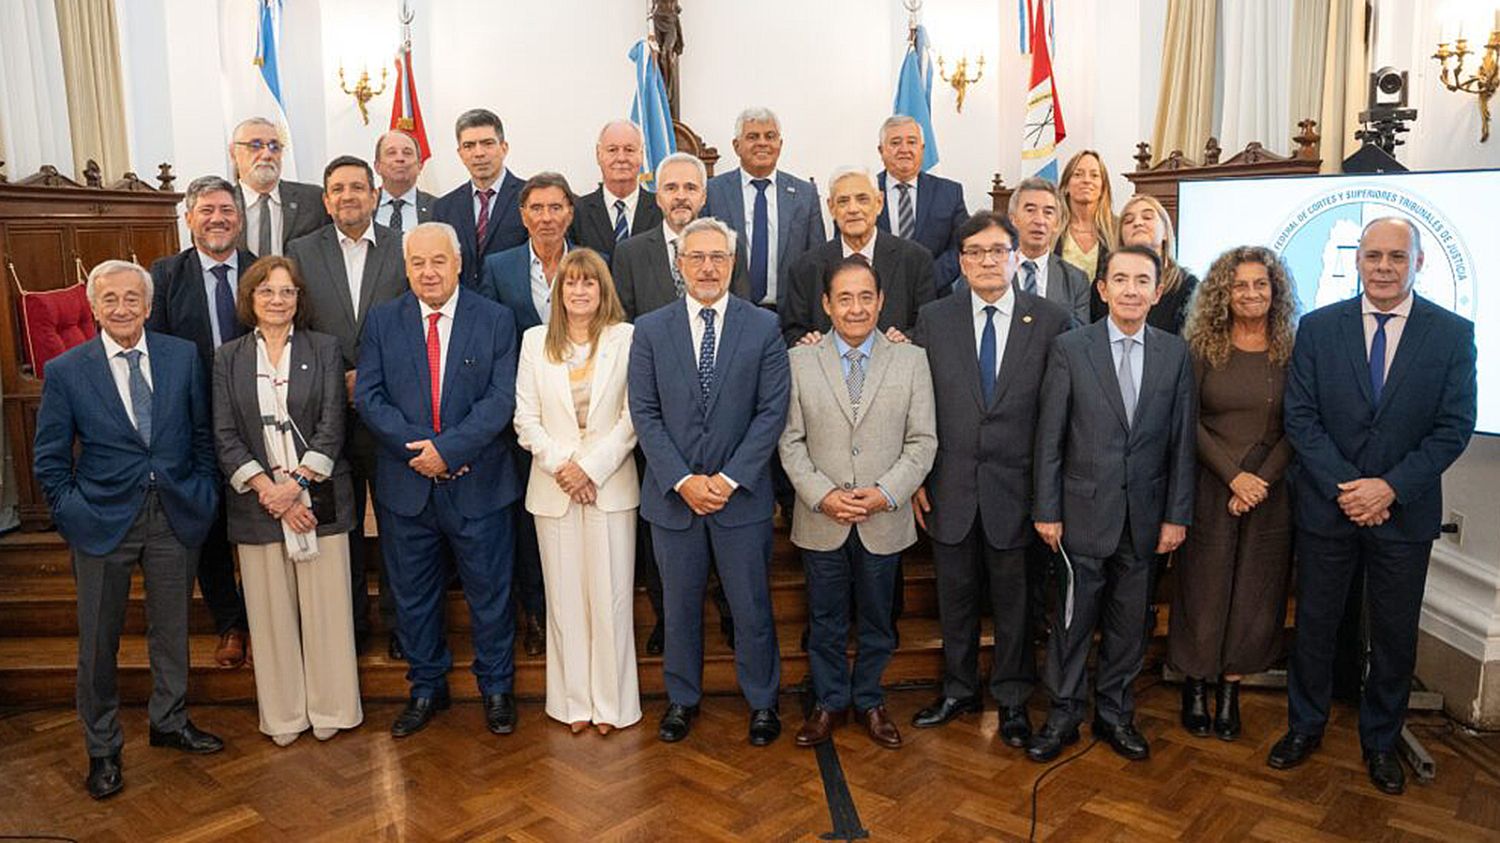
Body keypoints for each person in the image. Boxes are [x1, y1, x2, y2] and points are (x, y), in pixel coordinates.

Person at [1270, 217, 1477, 796]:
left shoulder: (1451, 334)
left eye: (1396, 257)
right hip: (1328, 508)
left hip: (1403, 513)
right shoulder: (1317, 328)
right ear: (1358, 261)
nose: (1384, 267)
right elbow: (1301, 419)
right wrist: (1351, 488)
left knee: (1393, 635)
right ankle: (1304, 726)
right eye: (1373, 256)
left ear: (1418, 263)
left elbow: (1453, 427)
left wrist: (1388, 488)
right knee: (1315, 626)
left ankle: (1381, 741)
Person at [34, 260, 225, 800]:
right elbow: (50, 458)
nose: (122, 308)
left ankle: (170, 721)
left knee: (172, 629)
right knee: (99, 641)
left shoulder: (181, 356)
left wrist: (204, 491)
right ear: (94, 308)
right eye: (110, 299)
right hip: (101, 521)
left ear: (148, 305)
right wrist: (72, 512)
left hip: (175, 513)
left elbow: (202, 435)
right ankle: (102, 747)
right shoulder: (67, 370)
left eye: (132, 298)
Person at [908, 212, 1071, 745]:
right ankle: (958, 690)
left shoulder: (1050, 321)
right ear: (960, 261)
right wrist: (917, 477)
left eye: (997, 251)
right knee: (954, 598)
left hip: (1018, 492)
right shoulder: (934, 318)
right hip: (949, 487)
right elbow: (918, 404)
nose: (986, 261)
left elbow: (1058, 416)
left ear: (1015, 258)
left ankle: (1013, 699)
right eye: (975, 252)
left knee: (1015, 604)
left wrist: (1048, 495)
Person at [354, 222, 523, 738]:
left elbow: (501, 398)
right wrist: (424, 452)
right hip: (407, 489)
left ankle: (496, 688)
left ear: (458, 263)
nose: (428, 272)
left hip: (480, 485)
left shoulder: (495, 319)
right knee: (413, 596)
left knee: (490, 595)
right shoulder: (382, 320)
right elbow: (369, 397)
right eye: (418, 263)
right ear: (406, 268)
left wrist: (449, 451)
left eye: (438, 261)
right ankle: (426, 687)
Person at [1030, 244, 1196, 763]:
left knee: (1128, 626)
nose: (1131, 290)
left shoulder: (1175, 354)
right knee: (1072, 622)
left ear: (1157, 291)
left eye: (1142, 281)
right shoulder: (1071, 348)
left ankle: (1115, 714)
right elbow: (1050, 437)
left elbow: (1182, 443)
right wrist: (1046, 509)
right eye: (1120, 280)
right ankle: (1063, 714)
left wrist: (1176, 515)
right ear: (1102, 289)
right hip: (1080, 514)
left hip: (1145, 519)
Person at [628, 217, 790, 746]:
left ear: (732, 263)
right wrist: (682, 480)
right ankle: (682, 700)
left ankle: (762, 702)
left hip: (739, 500)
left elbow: (771, 412)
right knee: (678, 610)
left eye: (717, 257)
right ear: (679, 265)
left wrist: (727, 478)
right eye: (696, 257)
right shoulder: (650, 329)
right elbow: (644, 412)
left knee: (751, 608)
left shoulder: (763, 327)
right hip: (674, 501)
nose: (707, 267)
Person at [780, 256, 936, 750]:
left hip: (882, 517)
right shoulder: (798, 361)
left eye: (866, 297)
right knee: (824, 621)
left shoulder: (911, 360)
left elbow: (923, 441)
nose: (855, 308)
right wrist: (822, 495)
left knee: (877, 620)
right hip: (821, 517)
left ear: (881, 301)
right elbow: (789, 441)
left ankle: (870, 699)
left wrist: (887, 492)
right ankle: (829, 701)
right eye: (844, 298)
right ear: (826, 304)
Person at [212, 256, 363, 746]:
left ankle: (332, 708)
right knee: (271, 617)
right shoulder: (228, 357)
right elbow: (224, 434)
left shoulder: (324, 348)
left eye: (287, 291)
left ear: (299, 298)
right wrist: (269, 491)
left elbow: (333, 425)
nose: (277, 300)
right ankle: (283, 715)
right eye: (267, 291)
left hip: (318, 499)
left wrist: (295, 486)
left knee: (326, 613)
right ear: (250, 299)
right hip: (258, 504)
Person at [1170, 246, 1299, 742]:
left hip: (1270, 490)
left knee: (1255, 594)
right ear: (1223, 292)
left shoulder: (1291, 349)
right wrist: (1233, 478)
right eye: (1240, 285)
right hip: (1211, 485)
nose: (1251, 293)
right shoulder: (1202, 347)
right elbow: (1189, 421)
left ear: (1275, 290)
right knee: (1202, 590)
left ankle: (1230, 689)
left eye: (1260, 284)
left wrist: (1259, 480)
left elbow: (1299, 423)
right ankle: (1195, 685)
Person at [514, 248, 642, 734]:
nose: (580, 290)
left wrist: (590, 469)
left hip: (609, 485)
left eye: (589, 282)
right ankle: (573, 704)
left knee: (611, 600)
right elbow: (525, 419)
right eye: (571, 282)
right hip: (554, 488)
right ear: (558, 291)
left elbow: (633, 417)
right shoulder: (534, 341)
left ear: (603, 289)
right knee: (565, 602)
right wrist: (565, 467)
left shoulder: (626, 338)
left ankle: (612, 705)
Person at [286, 155, 409, 658]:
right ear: (326, 199)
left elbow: (412, 321)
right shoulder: (301, 251)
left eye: (358, 187)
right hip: (326, 414)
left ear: (375, 195)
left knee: (398, 526)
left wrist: (372, 378)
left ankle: (401, 625)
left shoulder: (403, 247)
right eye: (338, 189)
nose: (348, 196)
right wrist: (337, 379)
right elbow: (297, 324)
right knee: (342, 526)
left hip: (391, 410)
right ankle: (352, 625)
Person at [147, 175, 255, 668]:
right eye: (207, 210)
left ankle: (263, 617)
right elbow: (157, 351)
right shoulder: (166, 276)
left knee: (258, 520)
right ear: (189, 218)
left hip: (257, 420)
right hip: (194, 424)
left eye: (226, 210)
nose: (218, 219)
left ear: (240, 218)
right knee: (209, 524)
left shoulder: (262, 270)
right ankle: (230, 623)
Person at [479, 171, 580, 657]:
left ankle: (582, 617)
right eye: (536, 208)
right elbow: (492, 343)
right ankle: (538, 614)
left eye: (555, 207)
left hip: (583, 422)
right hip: (525, 423)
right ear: (522, 216)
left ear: (570, 213)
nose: (546, 217)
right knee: (529, 523)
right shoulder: (498, 268)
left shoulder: (592, 263)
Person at [782, 166, 935, 347]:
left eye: (862, 199)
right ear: (831, 208)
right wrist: (807, 340)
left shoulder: (915, 259)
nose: (853, 209)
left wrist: (904, 339)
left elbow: (928, 326)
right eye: (843, 201)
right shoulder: (805, 267)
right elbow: (793, 331)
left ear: (879, 203)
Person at [703, 107, 826, 309]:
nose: (762, 143)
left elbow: (817, 262)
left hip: (790, 314)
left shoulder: (805, 194)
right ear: (736, 146)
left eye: (770, 136)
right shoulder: (713, 192)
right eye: (753, 137)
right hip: (729, 311)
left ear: (780, 144)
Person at [611, 152, 750, 319]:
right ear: (658, 198)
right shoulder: (630, 254)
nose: (681, 196)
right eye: (671, 188)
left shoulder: (729, 246)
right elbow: (622, 322)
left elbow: (742, 314)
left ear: (703, 197)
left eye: (690, 188)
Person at [431, 108, 527, 288]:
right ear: (460, 153)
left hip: (514, 302)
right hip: (464, 303)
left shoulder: (530, 198)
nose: (479, 153)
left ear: (504, 148)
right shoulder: (444, 208)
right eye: (469, 146)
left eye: (487, 143)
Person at [874, 115, 967, 293]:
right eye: (895, 143)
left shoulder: (949, 192)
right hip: (877, 295)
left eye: (912, 142)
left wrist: (927, 280)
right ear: (881, 150)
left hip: (935, 294)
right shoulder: (864, 193)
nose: (904, 149)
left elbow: (962, 245)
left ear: (922, 148)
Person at [1090, 194, 1197, 333]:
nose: (1138, 223)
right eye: (1128, 221)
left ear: (1165, 232)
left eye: (1147, 217)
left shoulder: (1187, 285)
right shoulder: (1104, 282)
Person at [229, 117, 330, 256]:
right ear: (233, 152)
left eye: (274, 147)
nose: (267, 155)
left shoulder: (313, 200)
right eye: (255, 146)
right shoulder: (221, 204)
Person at [1003, 177, 1091, 325]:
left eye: (1048, 212)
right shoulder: (994, 270)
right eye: (1030, 210)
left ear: (1057, 223)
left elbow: (1079, 334)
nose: (1039, 220)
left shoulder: (1075, 280)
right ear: (1013, 219)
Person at [569, 120, 663, 256]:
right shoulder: (577, 213)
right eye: (612, 150)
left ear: (642, 155)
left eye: (629, 150)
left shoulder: (662, 209)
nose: (621, 158)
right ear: (598, 155)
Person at [1054, 150, 1116, 283]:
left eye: (1094, 175)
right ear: (1066, 186)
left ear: (1103, 187)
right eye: (1078, 174)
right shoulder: (1052, 228)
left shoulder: (1117, 229)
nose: (1087, 180)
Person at [374, 129, 436, 233]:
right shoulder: (363, 206)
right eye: (391, 153)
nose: (400, 158)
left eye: (407, 153)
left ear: (420, 165)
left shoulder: (439, 208)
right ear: (377, 166)